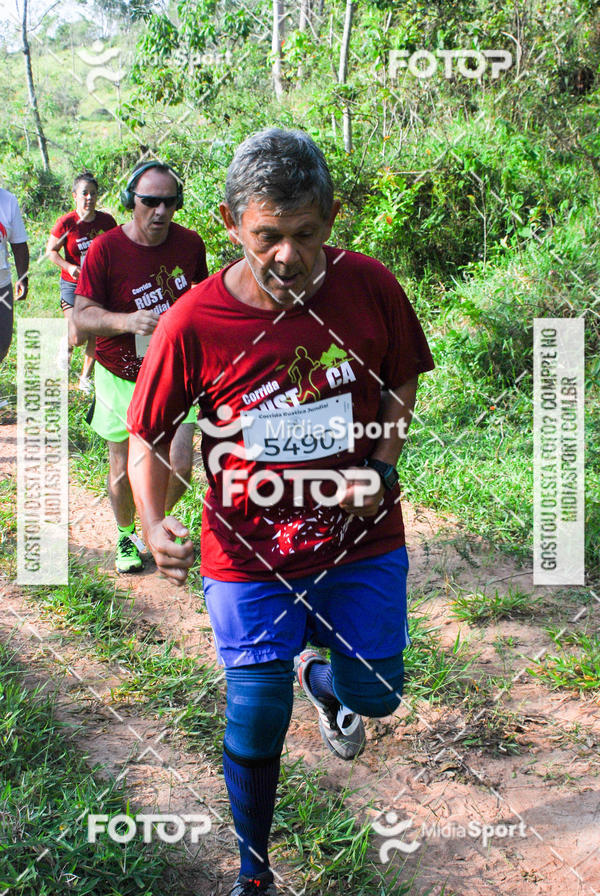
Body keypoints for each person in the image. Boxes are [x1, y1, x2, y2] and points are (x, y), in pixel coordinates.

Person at [126, 129, 434, 896]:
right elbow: (151, 431)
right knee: (255, 710)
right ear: (233, 223)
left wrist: (383, 468)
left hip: (359, 540)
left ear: (331, 217)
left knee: (380, 694)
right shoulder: (193, 321)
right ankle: (253, 874)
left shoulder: (371, 287)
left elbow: (401, 382)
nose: (288, 256)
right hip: (248, 554)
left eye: (305, 235)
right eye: (268, 237)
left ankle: (330, 684)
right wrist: (151, 518)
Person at [73, 161, 208, 573]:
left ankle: (156, 525)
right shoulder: (106, 248)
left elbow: (201, 299)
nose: (160, 212)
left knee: (181, 463)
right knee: (121, 466)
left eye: (169, 203)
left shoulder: (189, 245)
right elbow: (81, 315)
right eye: (150, 202)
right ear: (132, 201)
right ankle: (127, 535)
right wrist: (126, 321)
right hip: (120, 372)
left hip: (174, 371)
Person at [46, 171, 117, 392]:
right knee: (78, 336)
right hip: (72, 284)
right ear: (75, 195)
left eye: (93, 194)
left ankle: (85, 378)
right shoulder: (66, 223)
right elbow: (51, 251)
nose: (89, 198)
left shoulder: (107, 221)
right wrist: (69, 267)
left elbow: (118, 249)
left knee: (97, 330)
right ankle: (66, 342)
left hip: (98, 285)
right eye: (84, 193)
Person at [0, 187, 29, 365]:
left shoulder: (8, 201)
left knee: (3, 341)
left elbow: (19, 244)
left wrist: (22, 277)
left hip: (2, 288)